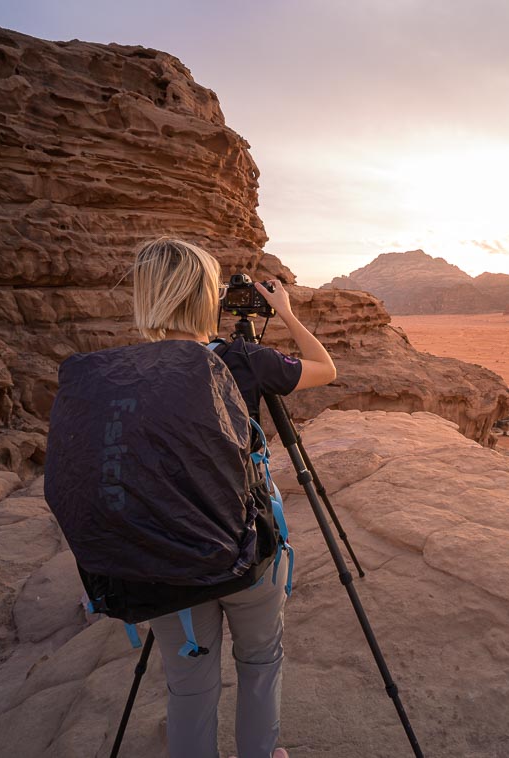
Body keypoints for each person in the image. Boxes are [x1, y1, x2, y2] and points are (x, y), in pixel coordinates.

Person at [131, 237, 336, 758]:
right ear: (207, 296)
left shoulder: (122, 371)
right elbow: (325, 368)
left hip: (165, 558)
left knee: (188, 684)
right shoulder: (243, 360)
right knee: (261, 660)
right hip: (245, 545)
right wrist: (286, 313)